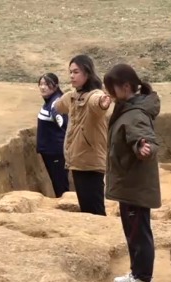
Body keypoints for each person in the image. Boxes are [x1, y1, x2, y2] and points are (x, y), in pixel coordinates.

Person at [102, 64, 162, 282]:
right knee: (132, 231)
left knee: (139, 232)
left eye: (112, 88)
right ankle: (136, 273)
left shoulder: (135, 114)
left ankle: (143, 279)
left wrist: (143, 148)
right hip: (129, 182)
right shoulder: (128, 108)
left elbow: (145, 140)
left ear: (126, 87)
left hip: (135, 185)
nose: (109, 93)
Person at [52, 54, 111, 215]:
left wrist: (102, 103)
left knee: (95, 210)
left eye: (76, 72)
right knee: (86, 209)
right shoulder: (73, 96)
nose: (72, 75)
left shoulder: (94, 95)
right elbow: (58, 106)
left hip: (91, 162)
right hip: (77, 161)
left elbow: (96, 102)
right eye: (70, 72)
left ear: (87, 73)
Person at [36, 73, 70, 198]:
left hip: (56, 152)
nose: (43, 87)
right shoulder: (49, 101)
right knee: (57, 183)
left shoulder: (55, 102)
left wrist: (59, 120)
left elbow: (58, 115)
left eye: (47, 84)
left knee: (60, 185)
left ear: (55, 86)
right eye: (41, 84)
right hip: (50, 152)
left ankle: (65, 206)